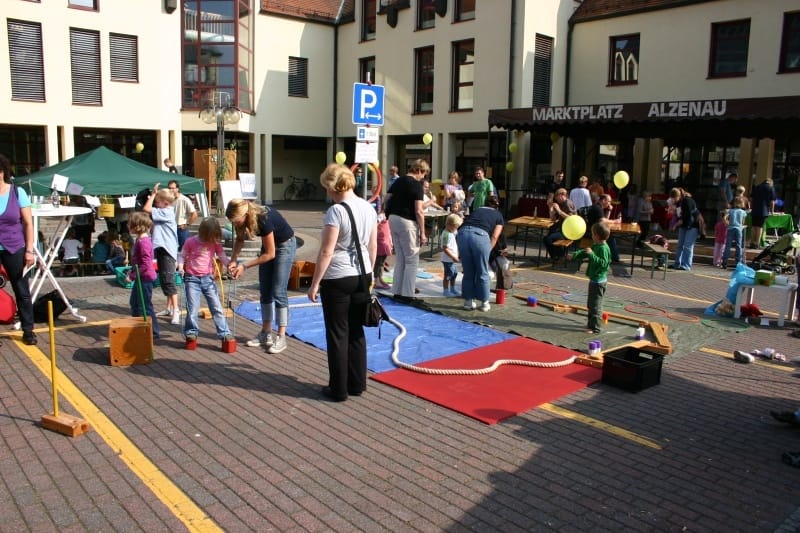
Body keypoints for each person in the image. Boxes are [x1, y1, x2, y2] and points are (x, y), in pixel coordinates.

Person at [307, 163, 377, 402]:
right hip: (363, 273)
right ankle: (357, 383)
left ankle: (338, 389)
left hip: (338, 276)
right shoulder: (368, 207)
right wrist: (370, 273)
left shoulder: (336, 211)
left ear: (331, 186)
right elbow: (372, 246)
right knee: (356, 330)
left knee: (338, 333)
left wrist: (315, 283)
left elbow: (326, 251)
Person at [226, 198, 296, 354]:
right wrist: (233, 259)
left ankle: (281, 337)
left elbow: (270, 254)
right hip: (269, 247)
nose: (234, 224)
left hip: (285, 245)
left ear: (244, 215)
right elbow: (239, 239)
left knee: (278, 291)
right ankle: (266, 333)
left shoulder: (263, 218)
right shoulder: (241, 220)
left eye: (236, 221)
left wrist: (244, 266)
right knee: (265, 290)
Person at [178, 217, 234, 344]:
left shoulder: (215, 242)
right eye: (211, 237)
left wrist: (229, 265)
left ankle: (224, 332)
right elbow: (182, 255)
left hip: (208, 279)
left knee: (216, 307)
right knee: (192, 308)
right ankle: (191, 332)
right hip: (192, 279)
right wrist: (181, 267)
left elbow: (221, 256)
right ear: (204, 233)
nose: (212, 239)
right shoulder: (191, 241)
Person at [0, 154, 37, 345]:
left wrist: (29, 250)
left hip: (14, 247)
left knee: (21, 290)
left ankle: (28, 330)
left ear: (1, 172)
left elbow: (28, 224)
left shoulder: (17, 192)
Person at [383, 159, 428, 302]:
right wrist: (423, 232)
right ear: (420, 170)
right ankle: (408, 294)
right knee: (411, 259)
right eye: (424, 174)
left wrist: (387, 214)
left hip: (393, 219)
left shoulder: (398, 180)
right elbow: (419, 211)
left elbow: (386, 198)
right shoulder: (416, 185)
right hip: (407, 221)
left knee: (401, 258)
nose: (423, 177)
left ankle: (397, 291)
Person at [456, 195, 504, 312]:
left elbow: (465, 224)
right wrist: (488, 250)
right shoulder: (498, 215)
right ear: (497, 206)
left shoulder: (477, 210)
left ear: (484, 203)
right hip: (480, 236)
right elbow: (495, 236)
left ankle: (468, 302)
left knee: (468, 272)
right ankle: (484, 303)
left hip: (462, 234)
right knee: (482, 271)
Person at [143, 185, 181, 325]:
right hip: (162, 248)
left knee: (169, 280)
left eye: (157, 201)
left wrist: (153, 194)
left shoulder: (166, 212)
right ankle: (169, 308)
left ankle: (176, 310)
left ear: (165, 202)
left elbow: (146, 209)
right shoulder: (163, 211)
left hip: (167, 250)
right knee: (165, 279)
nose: (155, 203)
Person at [568, 222, 612, 334]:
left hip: (599, 281)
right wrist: (574, 255)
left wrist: (592, 255)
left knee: (595, 305)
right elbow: (585, 252)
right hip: (594, 280)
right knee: (591, 304)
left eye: (592, 234)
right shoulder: (596, 245)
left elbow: (604, 264)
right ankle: (591, 324)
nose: (591, 236)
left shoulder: (603, 248)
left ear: (597, 235)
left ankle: (595, 328)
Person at [126, 211, 159, 340]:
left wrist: (132, 276)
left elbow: (146, 264)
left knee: (144, 306)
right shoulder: (140, 240)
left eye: (130, 224)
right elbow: (139, 262)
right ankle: (138, 328)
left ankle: (153, 332)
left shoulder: (144, 242)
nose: (128, 226)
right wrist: (132, 271)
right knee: (135, 303)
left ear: (137, 226)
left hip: (144, 278)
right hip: (141, 277)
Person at [669, 187, 701, 271]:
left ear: (678, 196)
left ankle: (686, 265)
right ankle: (677, 263)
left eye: (674, 198)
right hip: (684, 225)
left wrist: (676, 224)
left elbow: (687, 215)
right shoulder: (678, 202)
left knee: (688, 245)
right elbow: (679, 215)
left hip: (692, 225)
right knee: (680, 245)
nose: (673, 200)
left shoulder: (687, 200)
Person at [585, 194, 621, 263]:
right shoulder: (597, 208)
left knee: (609, 236)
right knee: (610, 237)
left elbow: (605, 220)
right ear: (604, 200)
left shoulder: (599, 207)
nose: (610, 203)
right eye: (609, 201)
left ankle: (611, 257)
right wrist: (615, 221)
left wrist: (609, 210)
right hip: (592, 233)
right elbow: (602, 221)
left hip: (594, 230)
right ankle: (614, 258)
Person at [543, 188, 576, 261]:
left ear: (562, 195)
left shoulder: (568, 203)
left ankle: (558, 256)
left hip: (569, 232)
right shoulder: (561, 204)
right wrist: (550, 207)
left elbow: (571, 219)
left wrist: (559, 211)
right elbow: (553, 219)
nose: (555, 199)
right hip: (562, 229)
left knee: (548, 238)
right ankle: (557, 256)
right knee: (549, 234)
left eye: (556, 196)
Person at [168, 180, 197, 250]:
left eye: (173, 188)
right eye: (169, 188)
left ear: (177, 188)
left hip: (181, 229)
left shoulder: (184, 199)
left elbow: (194, 214)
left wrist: (187, 224)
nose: (171, 190)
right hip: (171, 228)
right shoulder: (169, 199)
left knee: (184, 250)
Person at [721, 196, 747, 268]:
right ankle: (738, 261)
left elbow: (724, 218)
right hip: (738, 229)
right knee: (738, 245)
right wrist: (743, 226)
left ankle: (725, 261)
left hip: (730, 228)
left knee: (728, 245)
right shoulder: (743, 212)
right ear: (742, 204)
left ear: (734, 203)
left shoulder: (731, 211)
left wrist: (726, 223)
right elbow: (742, 222)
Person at [749, 177, 775, 248]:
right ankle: (757, 243)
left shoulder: (757, 187)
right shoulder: (771, 188)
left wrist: (751, 207)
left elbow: (751, 198)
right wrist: (772, 211)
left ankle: (751, 242)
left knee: (754, 226)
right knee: (759, 227)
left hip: (755, 209)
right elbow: (772, 201)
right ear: (771, 183)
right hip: (764, 210)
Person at [440, 213, 462, 297]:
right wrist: (453, 257)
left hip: (452, 259)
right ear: (449, 225)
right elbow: (445, 248)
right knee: (448, 275)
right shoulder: (446, 234)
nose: (456, 229)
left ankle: (452, 288)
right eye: (455, 227)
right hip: (448, 260)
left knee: (454, 274)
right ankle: (446, 290)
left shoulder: (451, 231)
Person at [69, 195, 94, 260]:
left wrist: (91, 222)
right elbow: (67, 217)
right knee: (77, 242)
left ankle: (87, 256)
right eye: (80, 198)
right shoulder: (72, 205)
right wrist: (72, 222)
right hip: (76, 226)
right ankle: (79, 256)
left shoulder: (85, 203)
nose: (81, 200)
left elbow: (90, 213)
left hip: (86, 226)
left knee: (87, 242)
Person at [373, 213, 392, 290]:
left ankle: (380, 278)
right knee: (378, 263)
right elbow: (375, 224)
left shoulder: (386, 216)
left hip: (385, 242)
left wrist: (390, 241)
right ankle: (377, 281)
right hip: (380, 242)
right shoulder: (381, 215)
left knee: (382, 263)